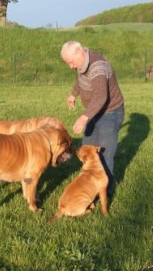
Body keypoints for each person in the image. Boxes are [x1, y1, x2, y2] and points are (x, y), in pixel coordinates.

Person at [60, 41, 124, 196]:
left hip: (110, 113)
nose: (71, 66)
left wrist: (84, 117)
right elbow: (80, 79)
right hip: (94, 113)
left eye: (71, 62)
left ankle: (105, 192)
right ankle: (89, 187)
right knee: (86, 151)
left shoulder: (98, 67)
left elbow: (101, 96)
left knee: (104, 155)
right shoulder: (82, 64)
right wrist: (73, 94)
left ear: (79, 53)